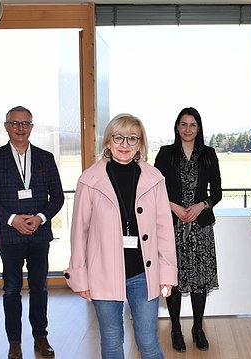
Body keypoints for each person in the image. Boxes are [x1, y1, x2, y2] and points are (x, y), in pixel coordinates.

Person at [65, 113, 177, 359]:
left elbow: (164, 231)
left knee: (148, 342)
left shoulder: (154, 179)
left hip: (143, 275)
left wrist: (167, 274)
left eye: (132, 138)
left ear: (140, 144)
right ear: (108, 142)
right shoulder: (89, 180)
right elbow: (79, 233)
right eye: (118, 137)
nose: (125, 144)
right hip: (102, 274)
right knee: (112, 341)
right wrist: (80, 277)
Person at [0, 106, 64, 359]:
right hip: (9, 235)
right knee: (11, 289)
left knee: (39, 287)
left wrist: (39, 218)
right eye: (14, 123)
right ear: (6, 126)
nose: (20, 128)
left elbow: (58, 197)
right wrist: (11, 219)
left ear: (31, 127)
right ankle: (14, 342)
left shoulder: (45, 158)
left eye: (25, 123)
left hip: (39, 235)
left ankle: (41, 337)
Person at [154, 107, 222, 352]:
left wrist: (201, 206)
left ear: (199, 128)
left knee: (200, 281)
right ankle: (174, 328)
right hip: (172, 226)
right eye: (183, 124)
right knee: (173, 279)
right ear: (177, 127)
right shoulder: (165, 154)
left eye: (192, 125)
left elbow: (217, 193)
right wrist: (172, 206)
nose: (188, 129)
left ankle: (198, 328)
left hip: (200, 227)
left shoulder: (209, 154)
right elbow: (156, 188)